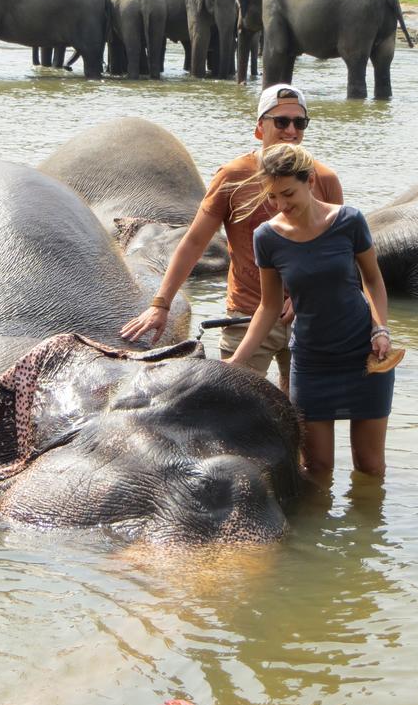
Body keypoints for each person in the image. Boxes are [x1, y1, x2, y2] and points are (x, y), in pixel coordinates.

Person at [120, 84, 343, 392]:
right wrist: (161, 304)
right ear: (259, 128)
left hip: (308, 317)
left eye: (299, 122)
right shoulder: (233, 176)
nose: (291, 130)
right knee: (237, 409)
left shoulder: (325, 179)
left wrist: (310, 293)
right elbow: (194, 242)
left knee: (306, 418)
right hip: (246, 317)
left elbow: (336, 253)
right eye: (281, 122)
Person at [225, 142, 395, 478]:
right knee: (317, 468)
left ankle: (368, 532)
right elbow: (269, 307)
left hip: (364, 357)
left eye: (287, 193)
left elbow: (373, 281)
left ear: (311, 181)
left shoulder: (349, 221)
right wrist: (236, 362)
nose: (280, 205)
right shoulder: (267, 237)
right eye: (272, 197)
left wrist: (381, 329)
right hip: (312, 363)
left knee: (370, 466)